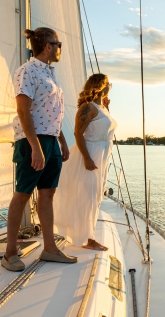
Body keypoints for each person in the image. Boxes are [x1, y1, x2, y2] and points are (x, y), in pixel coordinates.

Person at [2, 27, 76, 272]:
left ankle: (49, 248)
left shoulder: (50, 74)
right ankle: (10, 252)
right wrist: (35, 147)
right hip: (32, 141)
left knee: (48, 194)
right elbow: (23, 111)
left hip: (51, 140)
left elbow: (52, 111)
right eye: (58, 44)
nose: (60, 48)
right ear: (48, 46)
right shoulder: (27, 71)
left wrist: (62, 141)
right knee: (22, 193)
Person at [54, 73, 117, 250]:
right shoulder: (87, 108)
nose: (110, 86)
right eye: (108, 83)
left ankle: (87, 235)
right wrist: (87, 158)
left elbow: (106, 129)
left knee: (96, 196)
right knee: (87, 197)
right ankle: (87, 239)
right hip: (91, 153)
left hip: (102, 155)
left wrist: (106, 107)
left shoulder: (101, 107)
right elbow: (77, 133)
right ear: (101, 85)